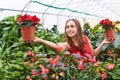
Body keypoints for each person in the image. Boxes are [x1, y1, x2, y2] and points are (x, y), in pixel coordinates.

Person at [33, 19, 112, 58]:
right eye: (67, 27)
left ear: (78, 28)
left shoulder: (86, 39)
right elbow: (55, 46)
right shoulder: (67, 45)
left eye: (72, 26)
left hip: (91, 72)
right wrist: (41, 40)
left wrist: (102, 43)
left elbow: (93, 54)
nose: (69, 29)